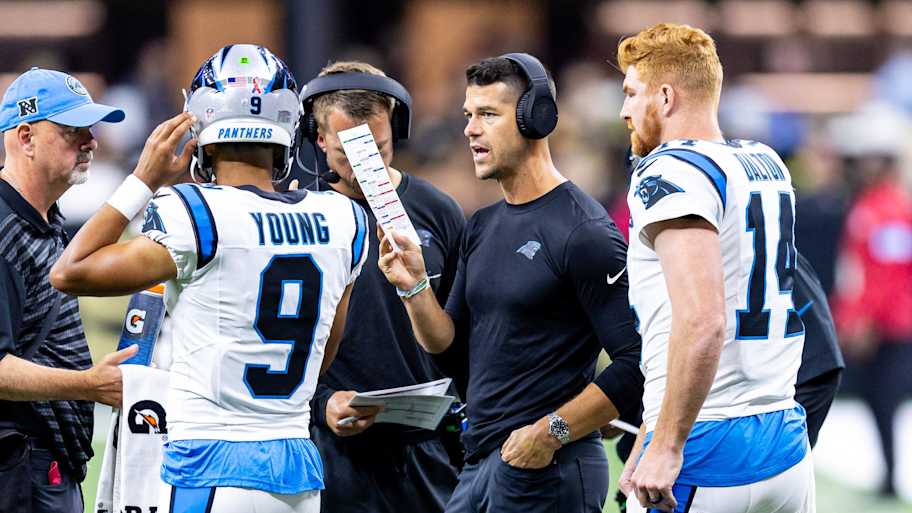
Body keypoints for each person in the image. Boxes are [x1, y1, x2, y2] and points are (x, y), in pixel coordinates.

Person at [50, 44, 368, 513]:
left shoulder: (194, 212)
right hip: (297, 472)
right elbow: (326, 351)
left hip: (208, 464)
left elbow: (70, 270)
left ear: (201, 131)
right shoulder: (345, 218)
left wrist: (143, 179)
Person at [378, 53, 643, 513]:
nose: (470, 129)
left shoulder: (583, 232)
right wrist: (414, 286)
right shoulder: (480, 225)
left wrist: (550, 432)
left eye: (487, 115)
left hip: (549, 467)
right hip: (482, 461)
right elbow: (451, 350)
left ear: (535, 118)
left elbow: (636, 361)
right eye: (467, 115)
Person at [616, 23, 814, 513]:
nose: (623, 110)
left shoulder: (668, 170)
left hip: (706, 447)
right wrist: (649, 430)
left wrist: (664, 444)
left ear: (664, 97)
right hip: (785, 437)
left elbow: (703, 321)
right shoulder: (764, 160)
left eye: (631, 93)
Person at [300, 61, 464, 512]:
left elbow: (464, 331)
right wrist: (321, 404)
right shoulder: (297, 216)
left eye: (377, 148)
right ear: (318, 139)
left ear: (396, 130)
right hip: (327, 447)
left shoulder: (439, 210)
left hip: (426, 449)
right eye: (345, 152)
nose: (361, 166)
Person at [0, 67, 136, 513]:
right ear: (25, 138)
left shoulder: (45, 219)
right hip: (17, 469)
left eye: (90, 130)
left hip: (43, 466)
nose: (91, 141)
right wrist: (86, 384)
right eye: (72, 130)